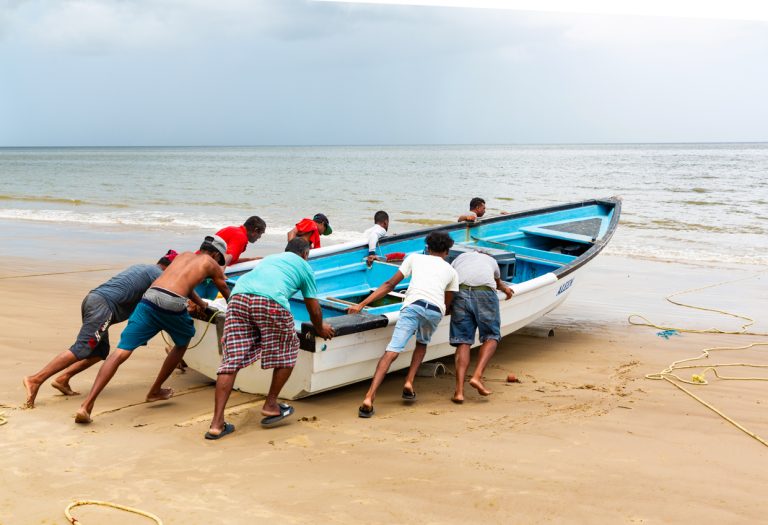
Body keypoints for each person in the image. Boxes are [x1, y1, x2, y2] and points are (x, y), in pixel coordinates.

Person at [74, 236, 231, 424]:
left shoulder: (183, 256)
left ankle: (86, 405)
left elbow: (185, 285)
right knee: (183, 341)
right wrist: (234, 309)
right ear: (215, 254)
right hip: (172, 303)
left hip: (149, 298)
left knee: (121, 351)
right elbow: (224, 287)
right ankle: (155, 390)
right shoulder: (210, 263)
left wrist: (201, 304)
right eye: (218, 259)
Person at [205, 238, 335, 440]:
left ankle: (216, 424)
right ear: (305, 254)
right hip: (270, 301)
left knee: (230, 362)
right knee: (289, 348)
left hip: (237, 299)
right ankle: (271, 404)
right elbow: (313, 308)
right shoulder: (304, 266)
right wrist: (319, 328)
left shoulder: (271, 259)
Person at [22, 250, 178, 409]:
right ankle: (35, 380)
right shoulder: (157, 274)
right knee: (82, 347)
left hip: (94, 300)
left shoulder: (142, 268)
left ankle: (63, 379)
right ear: (169, 268)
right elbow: (168, 297)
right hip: (102, 307)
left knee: (99, 352)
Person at [348, 231, 459, 418]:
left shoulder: (414, 258)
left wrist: (361, 304)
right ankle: (409, 381)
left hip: (413, 306)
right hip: (434, 310)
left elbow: (389, 284)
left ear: (427, 248)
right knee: (422, 343)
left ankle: (369, 396)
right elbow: (448, 302)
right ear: (447, 252)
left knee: (392, 351)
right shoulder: (452, 271)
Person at [449, 250, 513, 403]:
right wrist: (506, 289)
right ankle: (477, 377)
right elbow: (497, 282)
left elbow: (449, 279)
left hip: (461, 293)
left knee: (463, 341)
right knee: (491, 336)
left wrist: (447, 304)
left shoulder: (460, 258)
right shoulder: (492, 261)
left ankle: (459, 392)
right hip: (485, 294)